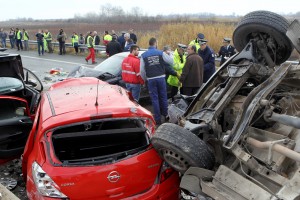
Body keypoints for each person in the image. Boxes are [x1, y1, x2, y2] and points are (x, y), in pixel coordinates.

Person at [140, 37, 177, 126]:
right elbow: (171, 62)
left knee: (155, 99)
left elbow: (142, 71)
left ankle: (157, 120)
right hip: (161, 78)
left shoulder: (144, 55)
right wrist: (170, 53)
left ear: (149, 44)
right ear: (155, 43)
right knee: (163, 97)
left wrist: (145, 79)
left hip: (151, 79)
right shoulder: (161, 53)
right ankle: (165, 115)